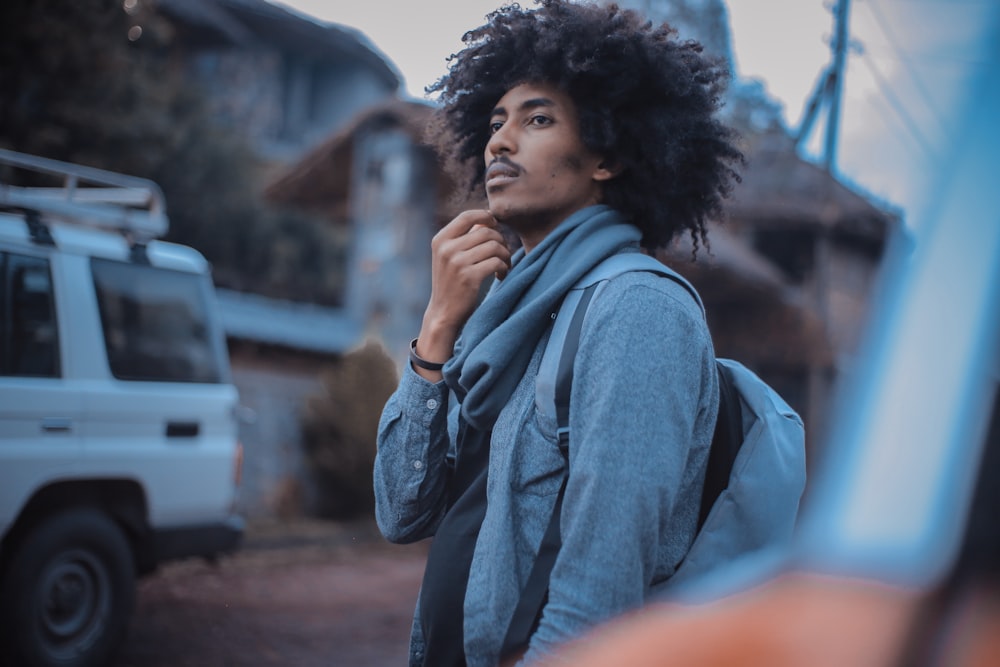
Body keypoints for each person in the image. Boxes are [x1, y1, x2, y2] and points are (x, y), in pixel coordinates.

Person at [373, 1, 742, 665]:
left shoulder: (636, 309)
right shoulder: (508, 318)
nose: (499, 142)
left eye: (537, 119)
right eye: (494, 123)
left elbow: (601, 587)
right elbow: (402, 512)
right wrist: (437, 327)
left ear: (605, 156)